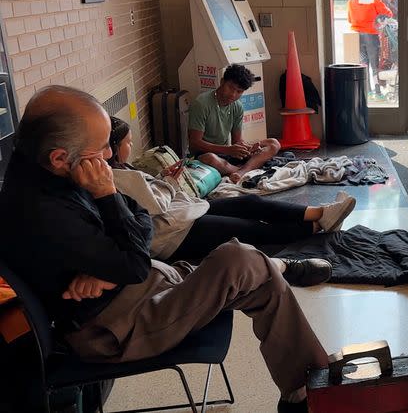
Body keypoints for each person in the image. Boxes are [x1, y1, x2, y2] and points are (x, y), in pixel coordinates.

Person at [0, 86, 328, 412]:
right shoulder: (42, 213)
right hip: (116, 328)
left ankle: (304, 392)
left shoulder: (44, 166)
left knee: (257, 274)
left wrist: (110, 273)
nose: (109, 157)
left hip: (138, 289)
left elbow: (142, 217)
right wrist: (107, 199)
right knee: (240, 260)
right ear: (59, 157)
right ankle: (310, 395)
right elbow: (136, 261)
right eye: (100, 149)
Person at [107, 116, 356, 265]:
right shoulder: (115, 176)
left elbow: (149, 199)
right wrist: (168, 182)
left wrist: (163, 178)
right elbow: (155, 204)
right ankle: (313, 226)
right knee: (252, 230)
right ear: (113, 146)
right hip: (173, 234)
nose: (132, 145)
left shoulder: (119, 169)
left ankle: (320, 213)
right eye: (128, 142)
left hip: (181, 214)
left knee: (248, 204)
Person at [188, 64, 280, 183]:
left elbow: (237, 141)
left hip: (228, 154)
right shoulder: (201, 104)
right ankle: (247, 169)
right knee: (210, 158)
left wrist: (248, 148)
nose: (233, 94)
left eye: (239, 91)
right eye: (231, 87)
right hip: (206, 155)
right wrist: (228, 150)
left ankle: (240, 172)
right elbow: (194, 143)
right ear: (222, 82)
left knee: (273, 143)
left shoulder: (237, 106)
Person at [347, 0, 393, 99]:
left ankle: (366, 91)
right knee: (374, 65)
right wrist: (378, 22)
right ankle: (377, 92)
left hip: (356, 35)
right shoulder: (374, 0)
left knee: (363, 64)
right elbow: (389, 14)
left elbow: (349, 19)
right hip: (370, 36)